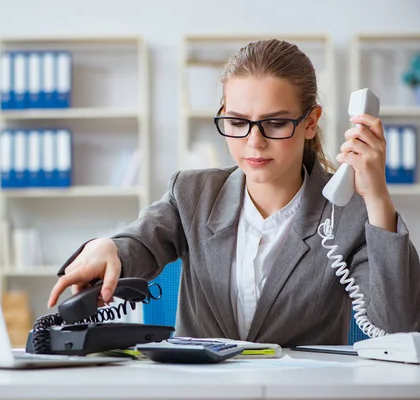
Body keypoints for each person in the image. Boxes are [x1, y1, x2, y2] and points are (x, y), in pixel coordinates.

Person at [47, 39, 420, 346]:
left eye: (274, 123)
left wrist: (376, 198)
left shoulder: (350, 215)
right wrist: (109, 248)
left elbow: (398, 331)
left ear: (310, 123)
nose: (253, 142)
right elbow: (141, 242)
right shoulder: (192, 193)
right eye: (238, 122)